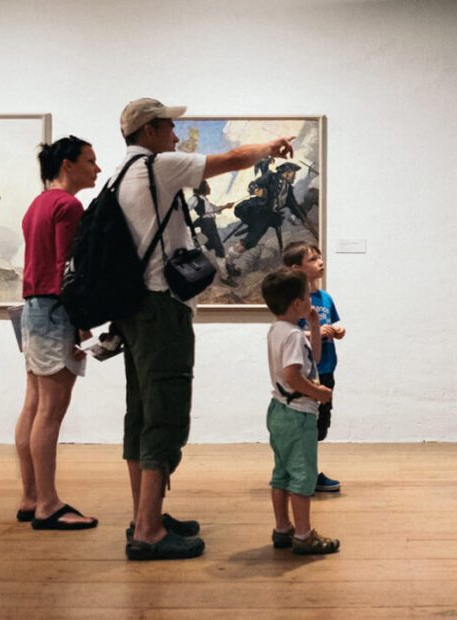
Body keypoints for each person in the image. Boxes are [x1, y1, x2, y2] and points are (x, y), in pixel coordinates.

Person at [114, 97, 297, 561]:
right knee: (165, 416)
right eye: (169, 126)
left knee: (140, 412)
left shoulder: (122, 175)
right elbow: (233, 159)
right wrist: (270, 146)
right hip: (161, 308)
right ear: (150, 131)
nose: (175, 134)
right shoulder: (159, 167)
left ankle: (144, 514)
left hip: (134, 307)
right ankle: (149, 533)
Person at [15, 135, 101, 530]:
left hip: (34, 309)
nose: (96, 169)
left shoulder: (38, 204)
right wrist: (82, 323)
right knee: (51, 409)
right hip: (55, 309)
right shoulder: (68, 205)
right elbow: (71, 272)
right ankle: (48, 504)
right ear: (67, 164)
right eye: (90, 161)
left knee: (34, 403)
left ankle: (31, 496)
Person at [261, 267, 340, 555]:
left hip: (278, 410)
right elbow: (294, 375)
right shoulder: (293, 335)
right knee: (302, 476)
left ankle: (283, 528)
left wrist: (315, 323)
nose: (312, 299)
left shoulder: (278, 330)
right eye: (308, 296)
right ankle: (304, 535)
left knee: (281, 473)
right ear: (297, 303)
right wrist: (319, 393)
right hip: (298, 414)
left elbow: (313, 357)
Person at [283, 241, 346, 492]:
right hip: (304, 372)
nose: (321, 262)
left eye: (320, 257)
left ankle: (308, 470)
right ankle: (298, 472)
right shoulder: (293, 300)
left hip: (326, 369)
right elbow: (288, 331)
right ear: (296, 268)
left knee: (319, 424)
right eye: (313, 259)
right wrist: (315, 333)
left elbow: (337, 323)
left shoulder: (325, 297)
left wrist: (337, 330)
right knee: (303, 423)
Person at [186, 180, 236, 285]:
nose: (209, 188)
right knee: (219, 249)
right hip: (206, 224)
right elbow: (185, 209)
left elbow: (215, 209)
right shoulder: (195, 198)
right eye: (207, 186)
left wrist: (226, 206)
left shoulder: (205, 199)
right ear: (201, 187)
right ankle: (224, 276)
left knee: (208, 246)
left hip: (210, 224)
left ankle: (190, 256)